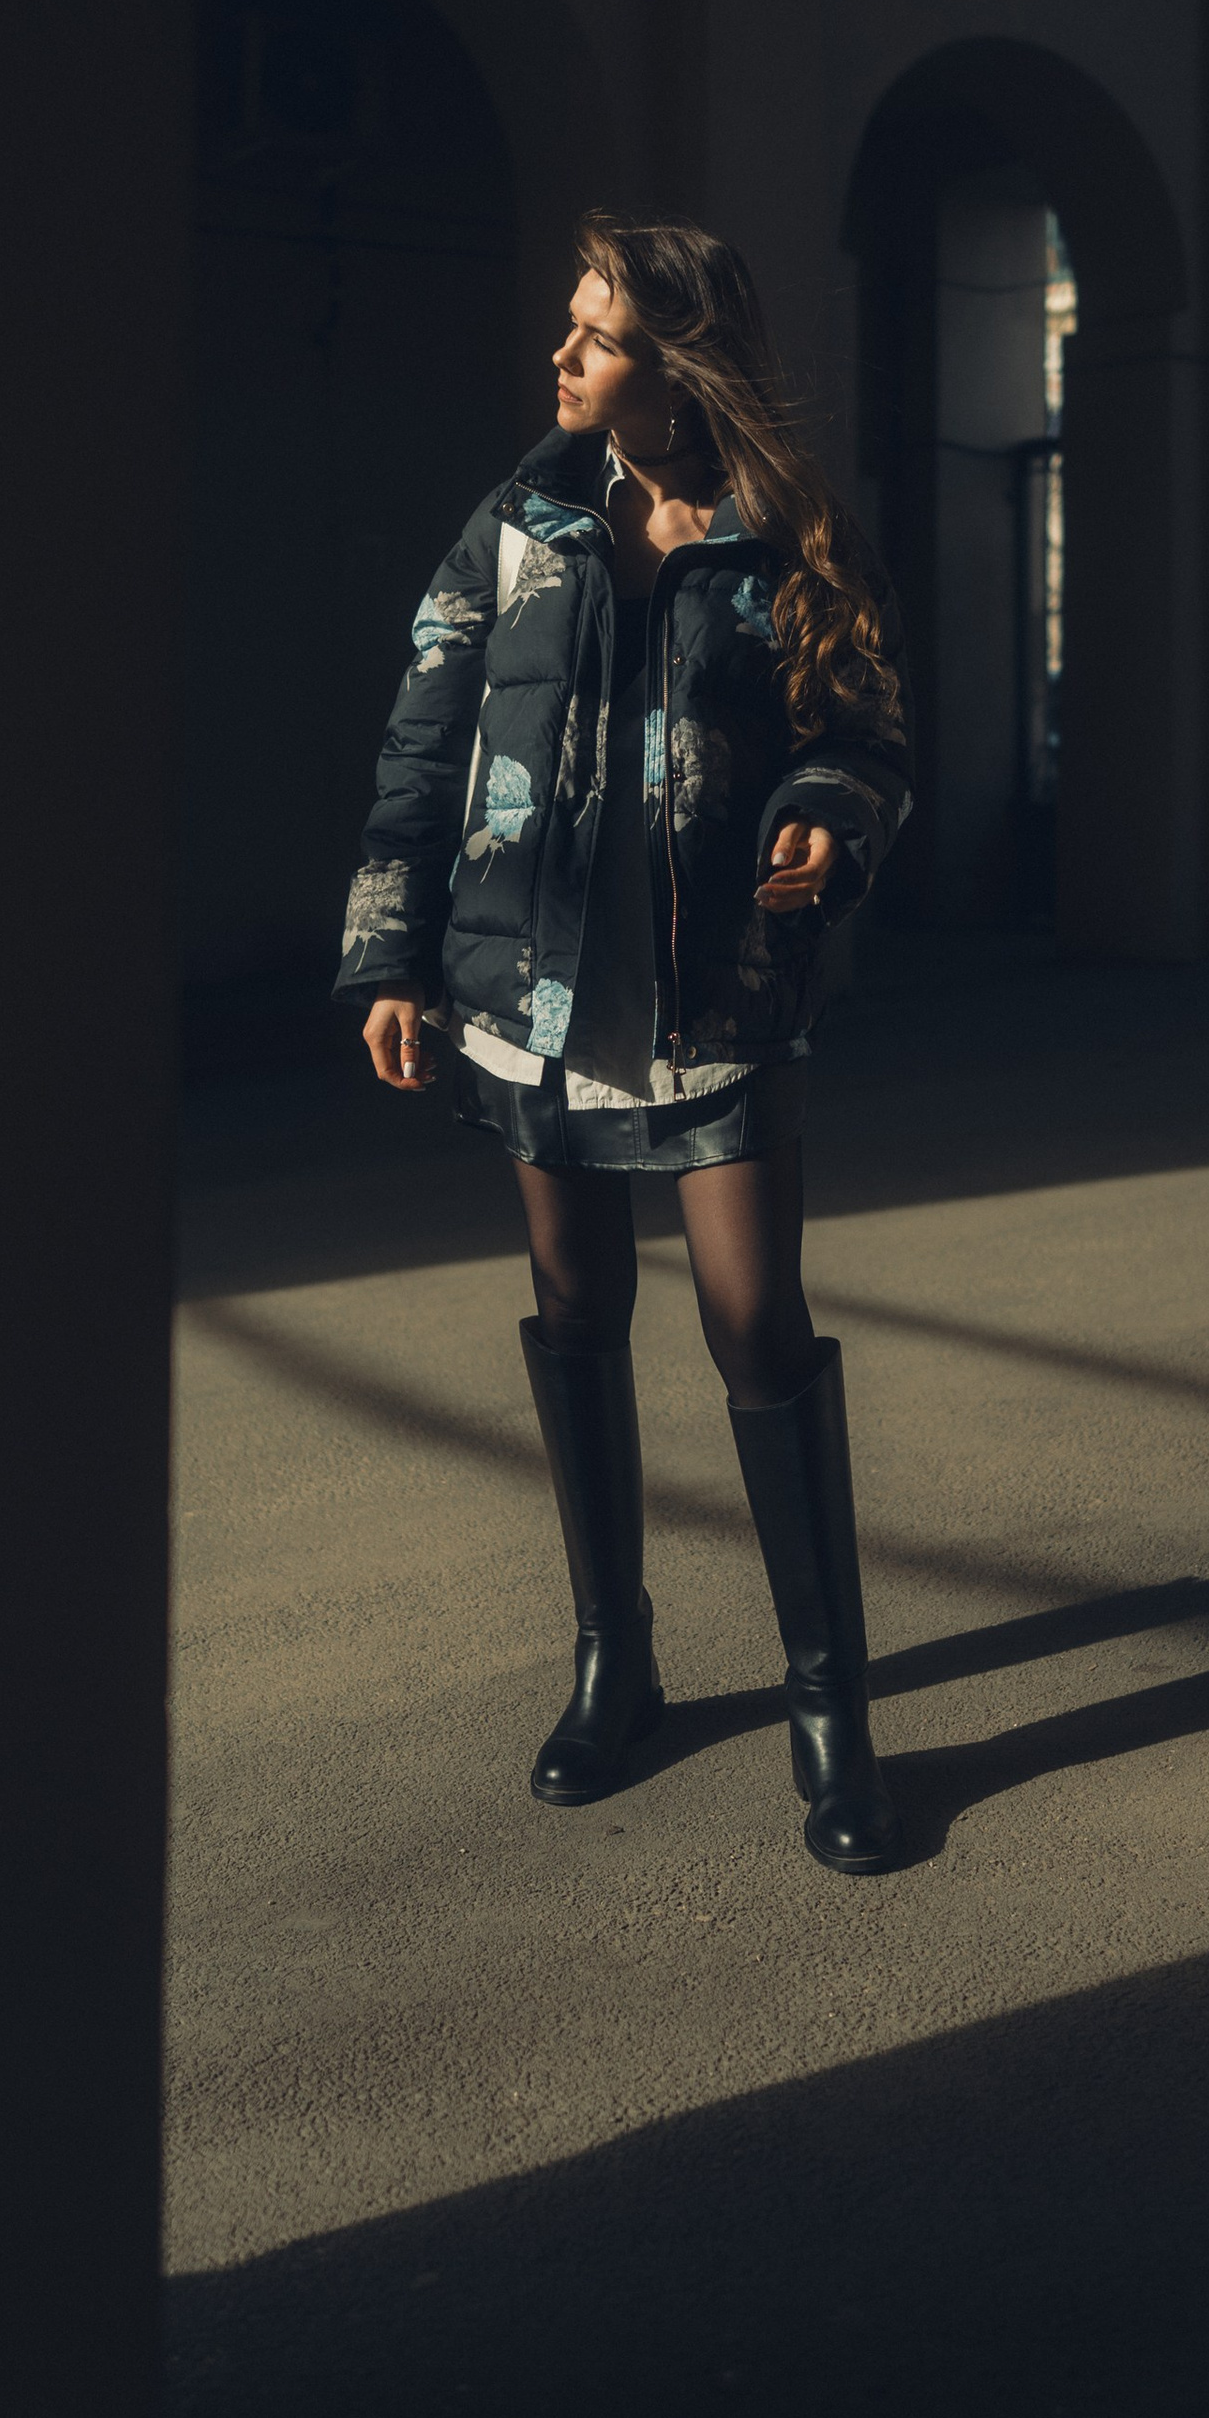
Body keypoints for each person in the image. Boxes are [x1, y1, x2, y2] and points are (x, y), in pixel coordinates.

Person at [340, 213, 914, 1874]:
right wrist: (389, 954)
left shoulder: (792, 534)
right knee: (579, 1312)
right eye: (570, 328)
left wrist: (827, 813)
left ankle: (830, 1711)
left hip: (716, 994)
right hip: (530, 996)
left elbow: (865, 729)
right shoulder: (516, 528)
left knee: (757, 1329)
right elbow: (422, 744)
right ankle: (618, 1663)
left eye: (594, 336)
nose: (563, 355)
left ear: (678, 363)